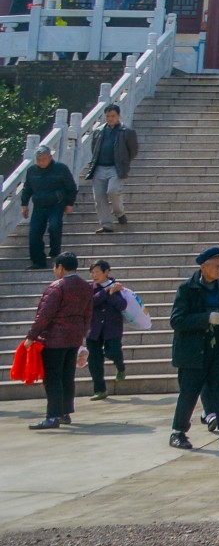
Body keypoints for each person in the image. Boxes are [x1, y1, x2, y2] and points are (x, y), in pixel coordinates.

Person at [169, 246, 219, 451]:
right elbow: (177, 320)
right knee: (189, 393)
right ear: (203, 267)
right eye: (216, 266)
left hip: (217, 350)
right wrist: (205, 319)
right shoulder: (187, 289)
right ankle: (178, 432)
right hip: (193, 351)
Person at [25, 251, 93, 430]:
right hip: (73, 339)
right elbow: (87, 314)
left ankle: (53, 416)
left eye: (56, 267)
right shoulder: (86, 287)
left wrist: (31, 336)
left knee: (53, 378)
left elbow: (44, 315)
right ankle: (65, 413)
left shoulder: (57, 287)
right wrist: (81, 335)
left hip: (54, 340)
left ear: (60, 268)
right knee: (66, 376)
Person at [19, 145, 77, 270]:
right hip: (39, 206)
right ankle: (38, 261)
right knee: (34, 234)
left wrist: (69, 204)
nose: (41, 162)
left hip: (56, 204)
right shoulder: (32, 171)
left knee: (54, 226)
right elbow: (27, 189)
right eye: (38, 159)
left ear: (50, 157)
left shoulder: (61, 169)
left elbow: (71, 188)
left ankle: (55, 252)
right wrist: (24, 205)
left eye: (44, 159)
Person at [86, 104, 138, 235]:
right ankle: (106, 224)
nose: (110, 119)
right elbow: (94, 148)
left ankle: (119, 213)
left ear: (118, 116)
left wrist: (123, 162)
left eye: (113, 116)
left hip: (116, 168)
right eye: (108, 116)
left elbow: (133, 151)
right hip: (99, 167)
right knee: (99, 197)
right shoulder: (98, 131)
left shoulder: (127, 132)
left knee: (113, 190)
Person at [85, 258, 128, 398]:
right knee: (94, 362)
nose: (94, 275)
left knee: (113, 351)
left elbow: (122, 305)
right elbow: (90, 303)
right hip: (94, 329)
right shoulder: (90, 289)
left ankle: (120, 366)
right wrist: (105, 292)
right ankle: (100, 389)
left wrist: (112, 293)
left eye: (97, 272)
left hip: (112, 328)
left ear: (106, 272)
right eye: (92, 272)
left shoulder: (118, 288)